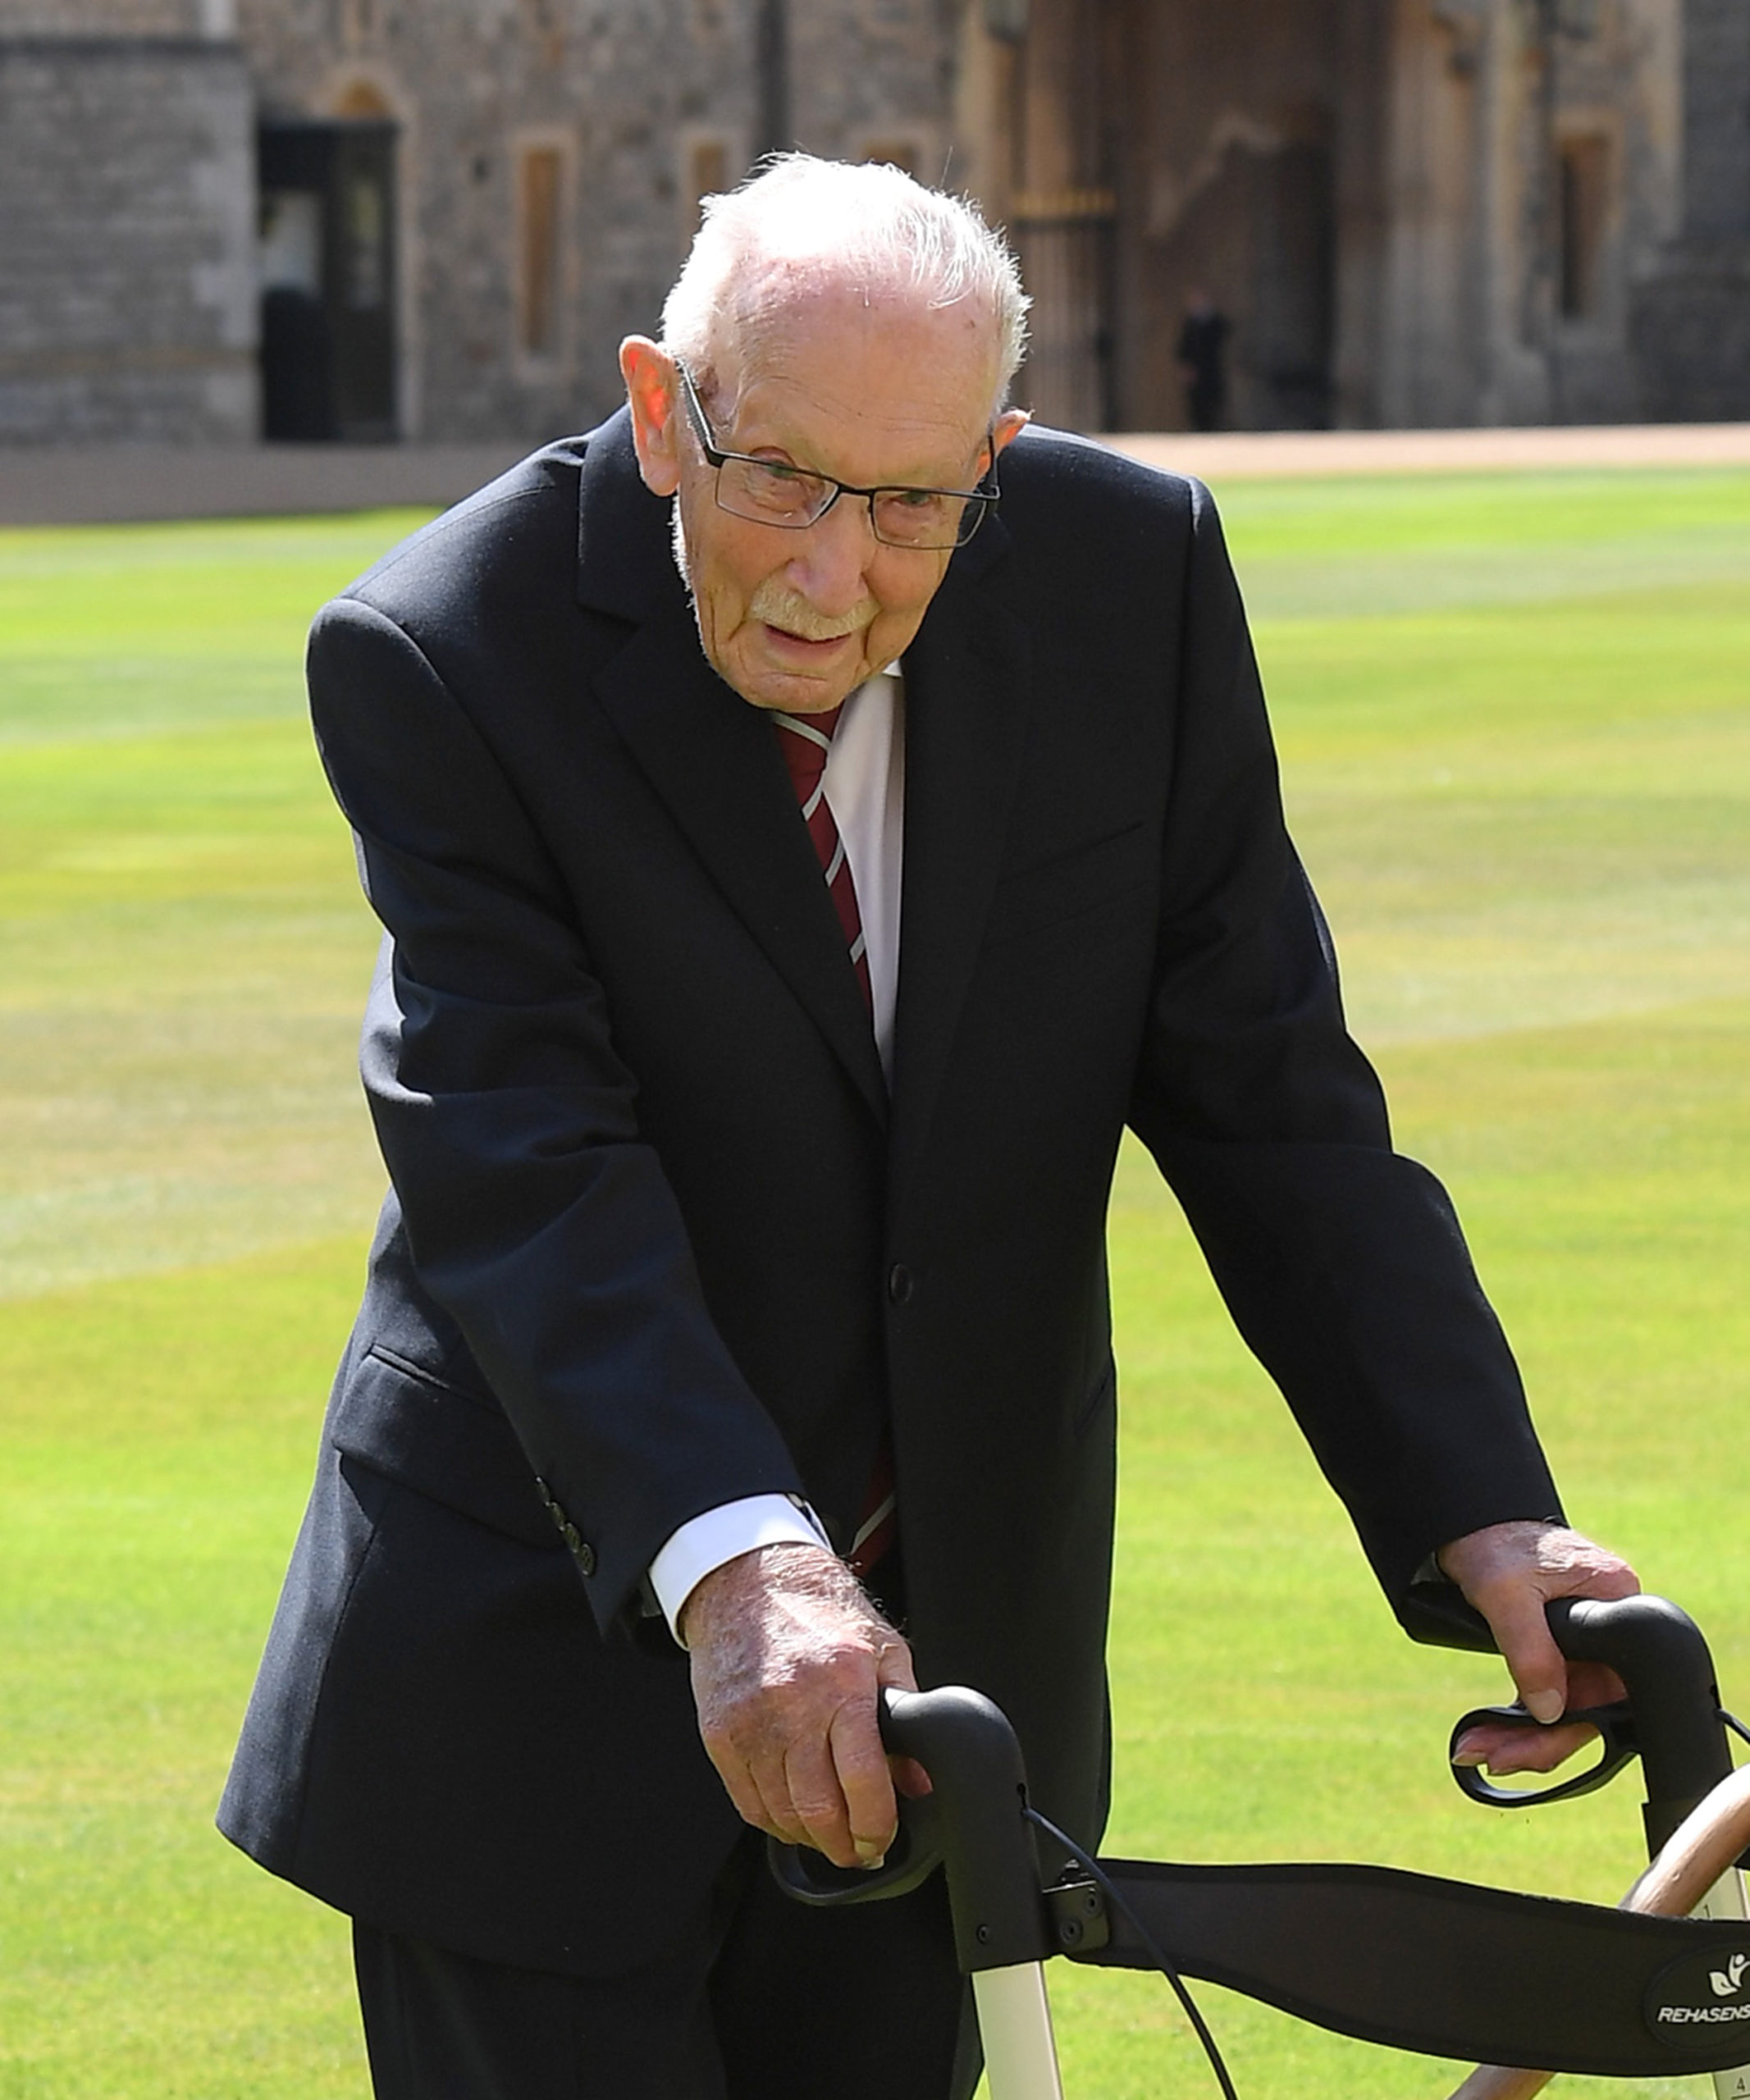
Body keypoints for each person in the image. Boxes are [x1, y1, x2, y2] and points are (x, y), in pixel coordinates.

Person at [220, 156, 1637, 2099]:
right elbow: (526, 1163)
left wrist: (1478, 1502)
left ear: (996, 460)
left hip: (949, 1704)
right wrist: (745, 1565)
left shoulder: (1125, 577)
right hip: (528, 1693)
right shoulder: (448, 646)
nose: (832, 574)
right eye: (781, 479)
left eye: (910, 505)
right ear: (662, 409)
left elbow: (1272, 1096)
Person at [1176, 286, 1230, 431]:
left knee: (1213, 402)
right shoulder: (1190, 323)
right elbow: (1183, 347)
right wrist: (1185, 367)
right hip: (1195, 369)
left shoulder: (1215, 321)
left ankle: (1213, 429)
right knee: (1196, 404)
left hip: (1211, 368)